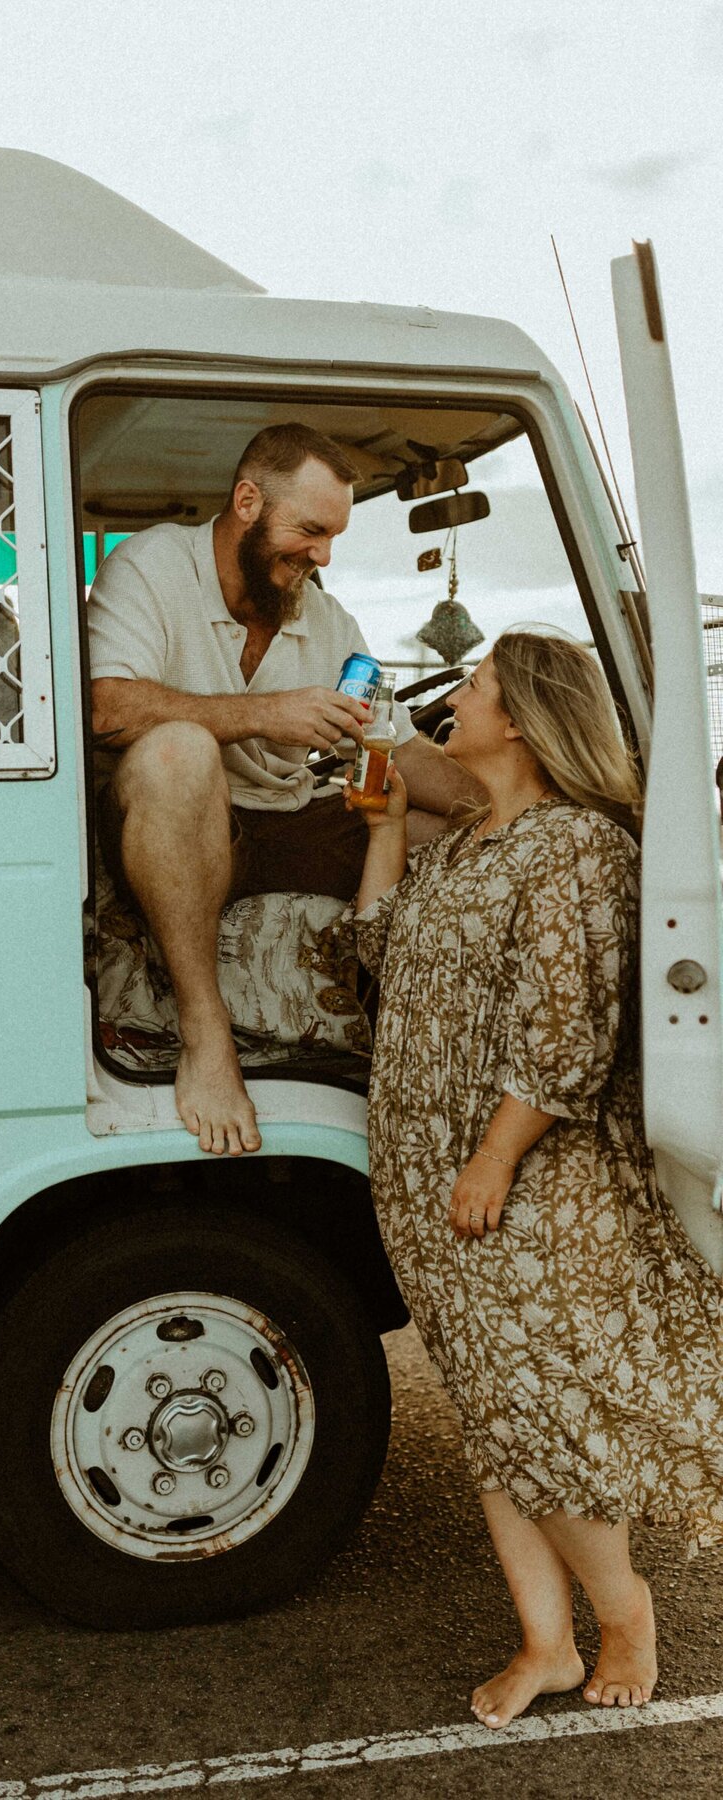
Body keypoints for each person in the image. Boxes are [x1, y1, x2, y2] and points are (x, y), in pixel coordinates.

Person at [347, 630, 723, 1730]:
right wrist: (381, 834)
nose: (450, 702)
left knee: (546, 1411)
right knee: (491, 1414)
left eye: (470, 687)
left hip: (517, 1177)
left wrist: (494, 1156)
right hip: (424, 1175)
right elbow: (377, 953)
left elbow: (568, 1037)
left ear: (519, 718)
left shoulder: (575, 850)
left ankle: (629, 1617)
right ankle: (546, 1644)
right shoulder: (467, 840)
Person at [87, 423, 480, 1157]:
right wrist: (266, 714)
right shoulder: (152, 566)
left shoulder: (326, 620)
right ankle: (207, 1042)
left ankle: (444, 1065)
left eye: (334, 537)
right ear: (246, 502)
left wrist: (510, 807)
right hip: (175, 820)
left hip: (287, 823)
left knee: (459, 832)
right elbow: (105, 709)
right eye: (309, 530)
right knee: (179, 750)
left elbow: (402, 742)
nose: (323, 556)